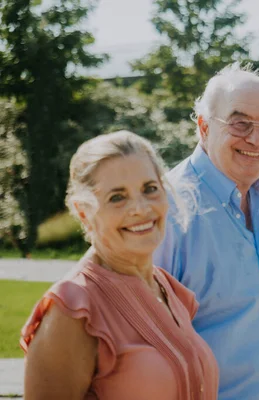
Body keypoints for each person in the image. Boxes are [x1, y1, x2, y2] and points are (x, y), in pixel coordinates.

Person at [20, 130, 219, 400]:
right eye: (117, 197)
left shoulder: (169, 289)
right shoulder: (73, 309)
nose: (140, 208)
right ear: (84, 212)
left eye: (149, 189)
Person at [153, 63, 259, 400]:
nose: (256, 139)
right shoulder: (169, 211)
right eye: (240, 123)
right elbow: (140, 342)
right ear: (203, 127)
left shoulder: (255, 198)